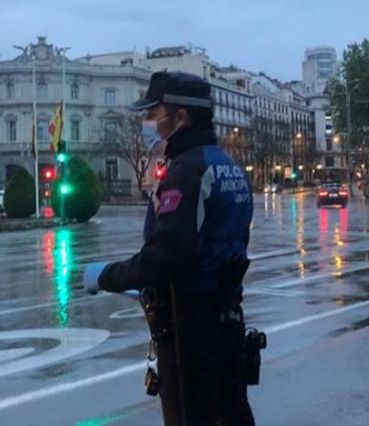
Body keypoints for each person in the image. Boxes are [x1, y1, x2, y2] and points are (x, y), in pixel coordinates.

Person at [82, 71, 255, 426]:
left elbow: (168, 257)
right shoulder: (228, 166)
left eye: (154, 113)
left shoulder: (187, 171)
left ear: (180, 118)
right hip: (225, 320)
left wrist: (107, 276)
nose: (149, 123)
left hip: (189, 329)